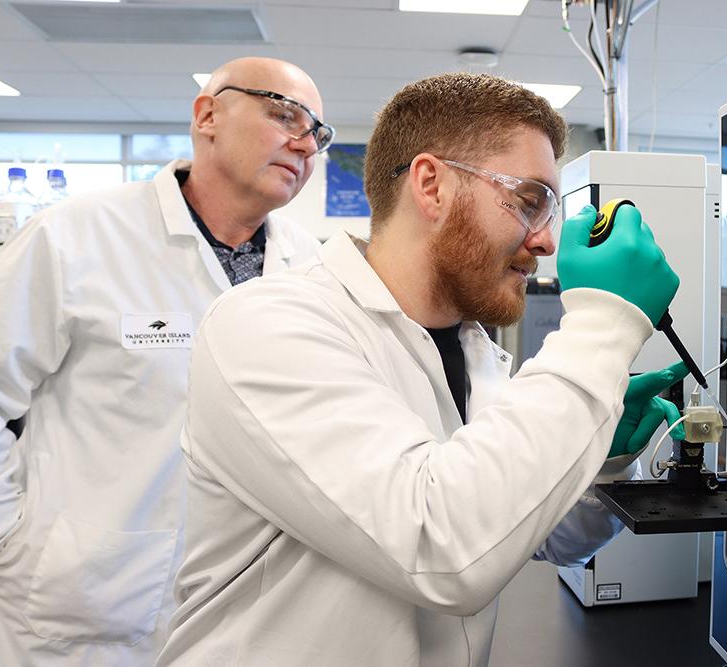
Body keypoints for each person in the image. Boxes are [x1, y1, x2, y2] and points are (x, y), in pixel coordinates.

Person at [156, 72, 687, 667]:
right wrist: (603, 324)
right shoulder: (267, 324)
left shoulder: (472, 349)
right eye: (529, 200)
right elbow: (445, 548)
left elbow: (534, 535)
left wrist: (600, 460)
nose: (545, 240)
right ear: (431, 185)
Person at [0, 57, 330, 665]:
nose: (304, 143)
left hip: (248, 611)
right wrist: (6, 537)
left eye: (318, 133)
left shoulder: (311, 270)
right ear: (207, 116)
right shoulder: (75, 237)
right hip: (79, 605)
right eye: (284, 115)